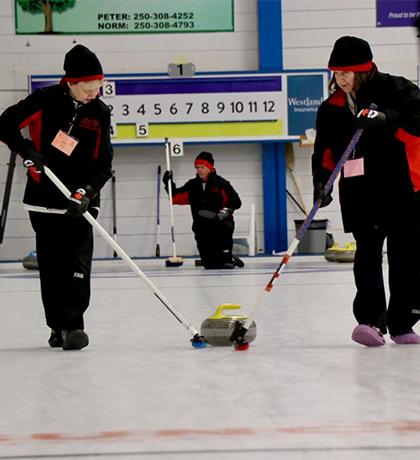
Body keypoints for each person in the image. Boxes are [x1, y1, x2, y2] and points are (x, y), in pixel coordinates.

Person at [0, 44, 113, 350]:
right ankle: (56, 326)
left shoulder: (99, 113)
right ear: (71, 83)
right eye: (89, 88)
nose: (95, 94)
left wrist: (86, 193)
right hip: (44, 198)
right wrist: (26, 151)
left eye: (99, 87)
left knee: (78, 263)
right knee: (51, 265)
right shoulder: (45, 100)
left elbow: (104, 165)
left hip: (81, 202)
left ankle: (74, 325)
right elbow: (4, 124)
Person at [312, 36, 420, 347]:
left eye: (346, 72)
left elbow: (418, 121)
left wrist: (387, 120)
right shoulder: (331, 109)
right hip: (360, 192)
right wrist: (322, 180)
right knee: (367, 257)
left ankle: (403, 322)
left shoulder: (396, 89)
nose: (340, 79)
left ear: (363, 69)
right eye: (336, 72)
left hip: (401, 187)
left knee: (407, 257)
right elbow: (325, 152)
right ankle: (371, 321)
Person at [163, 151, 243, 269]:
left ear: (210, 168)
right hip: (201, 227)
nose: (199, 170)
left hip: (221, 225)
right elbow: (175, 198)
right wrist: (168, 183)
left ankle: (228, 258)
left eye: (202, 167)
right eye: (197, 167)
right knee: (209, 265)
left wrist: (226, 211)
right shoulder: (192, 185)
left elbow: (236, 201)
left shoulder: (221, 184)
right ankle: (224, 257)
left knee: (225, 264)